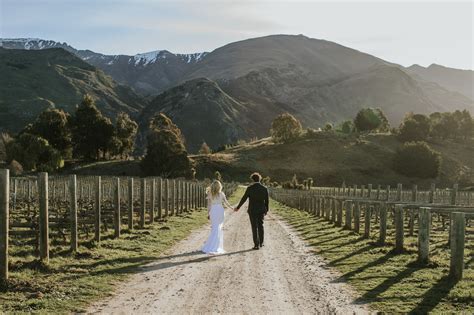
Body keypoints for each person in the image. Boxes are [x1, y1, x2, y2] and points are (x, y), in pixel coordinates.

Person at [234, 172, 269, 250]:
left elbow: (244, 198)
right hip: (261, 210)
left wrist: (238, 207)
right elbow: (266, 201)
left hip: (252, 210)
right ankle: (261, 243)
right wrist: (266, 210)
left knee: (254, 227)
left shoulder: (250, 188)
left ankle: (256, 245)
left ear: (252, 180)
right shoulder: (264, 188)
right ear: (259, 179)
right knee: (261, 225)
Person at [202, 180, 233, 254]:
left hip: (213, 211)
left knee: (215, 227)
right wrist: (232, 208)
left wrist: (208, 213)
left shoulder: (210, 194)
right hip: (220, 210)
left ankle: (212, 245)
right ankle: (215, 246)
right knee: (218, 228)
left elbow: (209, 205)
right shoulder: (221, 194)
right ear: (219, 186)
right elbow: (226, 203)